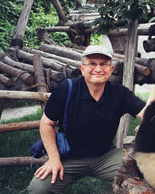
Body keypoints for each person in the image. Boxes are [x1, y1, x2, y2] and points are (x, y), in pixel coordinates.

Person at [28, 45, 146, 193]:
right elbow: (46, 123)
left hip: (105, 157)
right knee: (38, 189)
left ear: (111, 69)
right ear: (82, 68)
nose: (98, 69)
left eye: (103, 64)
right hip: (69, 157)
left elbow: (149, 113)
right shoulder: (66, 89)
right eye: (92, 64)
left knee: (149, 172)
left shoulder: (119, 93)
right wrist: (53, 158)